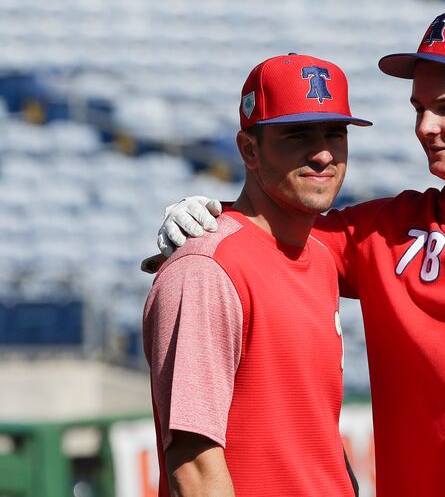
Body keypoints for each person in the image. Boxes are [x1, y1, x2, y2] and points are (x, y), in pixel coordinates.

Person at [150, 9, 445, 496]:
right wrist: (210, 223)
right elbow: (262, 240)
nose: (425, 126)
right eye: (417, 108)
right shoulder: (383, 230)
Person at [142, 53, 369, 496]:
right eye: (298, 135)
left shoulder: (321, 256)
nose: (323, 153)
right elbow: (194, 465)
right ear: (249, 149)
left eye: (334, 134)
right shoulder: (206, 269)